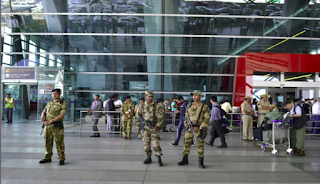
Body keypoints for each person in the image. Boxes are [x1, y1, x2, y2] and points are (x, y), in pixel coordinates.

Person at [178, 90, 210, 169]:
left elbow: (207, 118)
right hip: (189, 128)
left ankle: (200, 161)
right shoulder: (189, 105)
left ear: (200, 96)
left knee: (200, 145)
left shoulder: (204, 107)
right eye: (193, 95)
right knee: (186, 143)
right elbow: (186, 115)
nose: (194, 96)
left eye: (196, 95)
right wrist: (185, 122)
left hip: (198, 128)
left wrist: (200, 127)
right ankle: (185, 159)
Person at [136, 91, 165, 166]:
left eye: (151, 96)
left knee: (156, 143)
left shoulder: (158, 106)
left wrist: (158, 125)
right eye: (149, 96)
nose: (150, 98)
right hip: (145, 127)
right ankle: (148, 157)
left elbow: (160, 117)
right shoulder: (141, 106)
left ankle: (158, 157)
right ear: (145, 97)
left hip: (154, 127)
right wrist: (138, 127)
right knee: (146, 143)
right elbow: (138, 117)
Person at [39, 89, 68, 165]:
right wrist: (42, 115)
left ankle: (61, 158)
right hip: (47, 126)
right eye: (52, 94)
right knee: (47, 141)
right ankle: (47, 157)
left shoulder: (63, 103)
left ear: (59, 94)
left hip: (57, 125)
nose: (54, 95)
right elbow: (44, 111)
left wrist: (51, 121)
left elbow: (62, 114)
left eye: (55, 94)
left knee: (59, 142)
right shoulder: (49, 103)